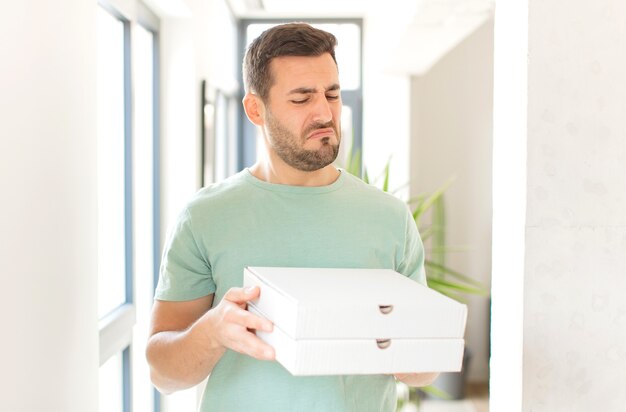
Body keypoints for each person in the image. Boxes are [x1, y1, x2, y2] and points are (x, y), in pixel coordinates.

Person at [146, 22, 438, 412]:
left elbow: (423, 369)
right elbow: (163, 375)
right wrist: (213, 331)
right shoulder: (204, 217)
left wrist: (419, 349)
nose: (324, 113)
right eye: (302, 99)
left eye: (331, 94)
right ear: (255, 109)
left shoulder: (389, 217)